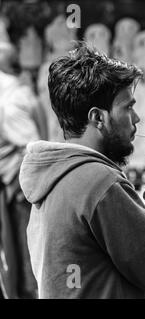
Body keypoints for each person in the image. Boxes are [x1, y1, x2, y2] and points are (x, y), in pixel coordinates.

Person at [18, 42, 145, 298]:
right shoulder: (98, 182)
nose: (137, 118)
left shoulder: (56, 175)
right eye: (128, 107)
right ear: (98, 118)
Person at [0, 40, 42, 299]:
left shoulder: (11, 99)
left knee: (24, 249)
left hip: (19, 187)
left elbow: (31, 148)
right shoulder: (17, 92)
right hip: (17, 185)